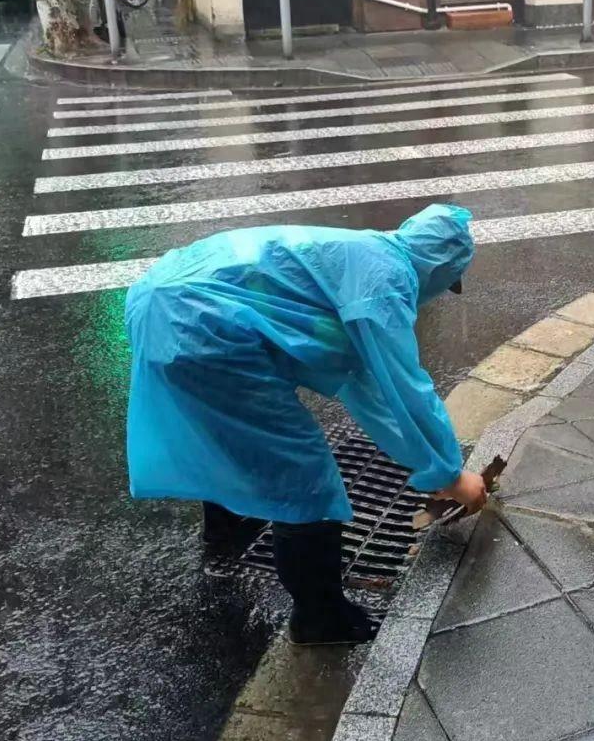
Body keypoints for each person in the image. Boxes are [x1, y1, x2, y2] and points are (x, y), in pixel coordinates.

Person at [124, 205, 488, 645]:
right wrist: (450, 474)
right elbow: (400, 389)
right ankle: (320, 619)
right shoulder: (386, 280)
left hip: (160, 300)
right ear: (439, 269)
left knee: (227, 433)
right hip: (207, 326)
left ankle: (232, 527)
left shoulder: (361, 252)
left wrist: (427, 464)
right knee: (303, 477)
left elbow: (362, 380)